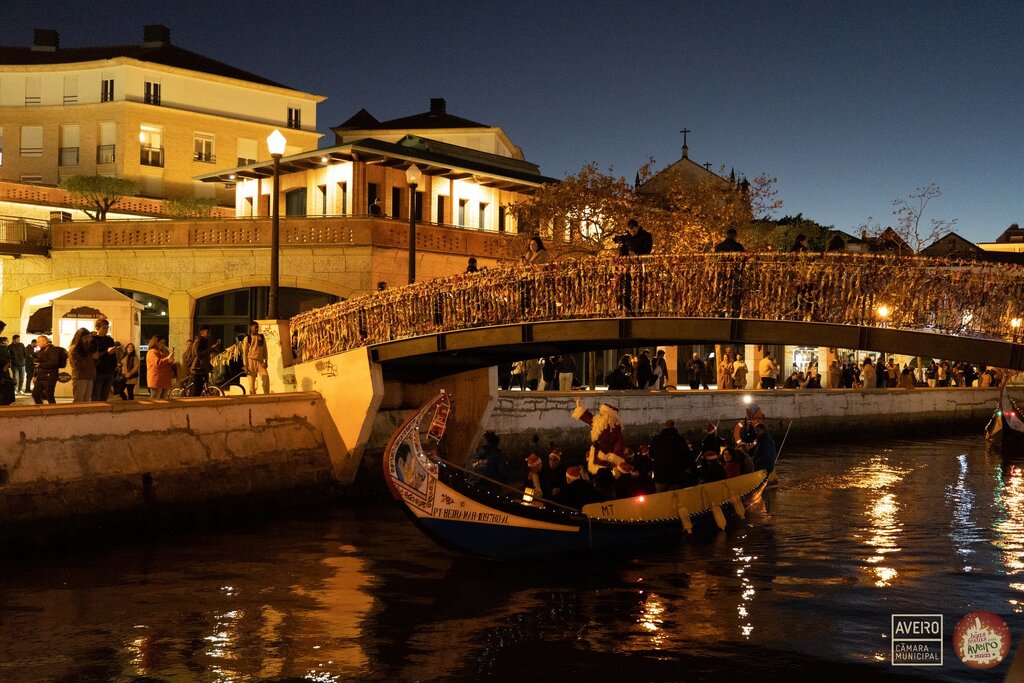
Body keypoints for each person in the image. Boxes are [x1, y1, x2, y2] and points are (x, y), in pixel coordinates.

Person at [571, 398, 626, 475]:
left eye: (602, 413)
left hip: (606, 455)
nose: (600, 414)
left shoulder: (615, 427)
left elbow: (619, 443)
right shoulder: (599, 422)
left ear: (608, 415)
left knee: (604, 472)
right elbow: (590, 419)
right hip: (596, 452)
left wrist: (615, 457)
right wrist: (579, 407)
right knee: (594, 471)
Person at [649, 420, 688, 492]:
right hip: (675, 476)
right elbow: (685, 456)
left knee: (660, 496)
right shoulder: (680, 440)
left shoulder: (656, 440)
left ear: (665, 426)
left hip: (660, 475)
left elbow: (651, 454)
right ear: (673, 425)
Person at [90, 318, 118, 401]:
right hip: (98, 370)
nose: (106, 330)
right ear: (97, 328)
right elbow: (94, 355)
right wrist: (107, 352)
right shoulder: (93, 340)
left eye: (107, 328)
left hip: (109, 370)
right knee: (96, 394)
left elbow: (113, 356)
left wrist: (114, 366)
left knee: (105, 395)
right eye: (104, 328)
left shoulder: (109, 340)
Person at [69, 327, 97, 403]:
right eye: (85, 338)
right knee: (79, 399)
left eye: (89, 337)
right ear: (80, 338)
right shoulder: (75, 349)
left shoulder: (88, 347)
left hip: (89, 375)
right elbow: (76, 364)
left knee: (87, 399)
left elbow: (92, 361)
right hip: (80, 376)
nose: (88, 340)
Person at [241, 321, 270, 395]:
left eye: (257, 327)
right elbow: (245, 353)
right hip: (250, 361)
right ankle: (253, 397)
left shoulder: (261, 337)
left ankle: (266, 395)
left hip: (260, 361)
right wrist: (245, 365)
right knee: (251, 382)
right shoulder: (247, 339)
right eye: (255, 328)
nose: (257, 329)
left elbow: (265, 349)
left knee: (266, 379)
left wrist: (266, 361)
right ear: (251, 328)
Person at [31, 335, 62, 404]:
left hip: (50, 376)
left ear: (44, 341)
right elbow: (39, 362)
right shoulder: (42, 350)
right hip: (41, 376)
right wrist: (35, 375)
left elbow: (54, 362)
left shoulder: (52, 350)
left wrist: (40, 365)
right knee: (35, 394)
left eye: (38, 342)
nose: (37, 344)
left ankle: (52, 409)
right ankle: (41, 408)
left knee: (49, 396)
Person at [189, 325, 217, 397]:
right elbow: (199, 354)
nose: (209, 334)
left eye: (210, 332)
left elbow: (205, 356)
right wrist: (211, 349)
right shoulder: (198, 342)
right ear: (202, 333)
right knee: (197, 390)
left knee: (203, 388)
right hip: (197, 369)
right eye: (207, 332)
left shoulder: (206, 342)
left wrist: (209, 366)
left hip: (204, 369)